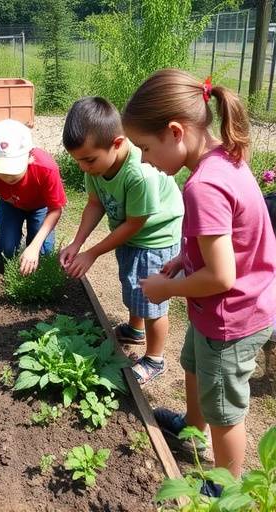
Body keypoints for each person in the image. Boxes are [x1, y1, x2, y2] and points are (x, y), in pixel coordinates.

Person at [122, 69, 276, 485]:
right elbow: (224, 245)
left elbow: (223, 276)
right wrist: (182, 263)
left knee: (225, 408)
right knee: (192, 366)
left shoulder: (202, 186)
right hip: (226, 309)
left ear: (175, 132)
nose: (144, 160)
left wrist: (167, 288)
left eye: (146, 148)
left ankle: (224, 482)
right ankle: (193, 431)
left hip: (232, 318)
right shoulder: (223, 158)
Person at [60, 97, 184, 386]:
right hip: (130, 231)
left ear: (117, 143)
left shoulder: (139, 172)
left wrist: (92, 253)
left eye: (88, 159)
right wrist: (77, 244)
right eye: (77, 160)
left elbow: (136, 223)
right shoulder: (96, 167)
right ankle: (134, 330)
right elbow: (94, 204)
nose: (82, 167)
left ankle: (155, 358)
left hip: (156, 236)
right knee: (132, 281)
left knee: (152, 298)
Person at [0, 119, 66, 277]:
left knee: (44, 253)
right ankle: (16, 244)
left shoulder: (46, 167)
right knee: (6, 253)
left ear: (29, 156)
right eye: (1, 170)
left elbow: (55, 209)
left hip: (41, 207)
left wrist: (34, 246)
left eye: (13, 170)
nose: (7, 177)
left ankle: (33, 242)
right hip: (10, 205)